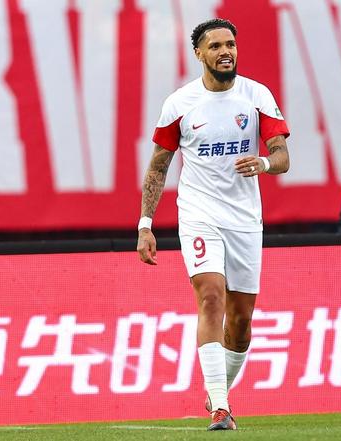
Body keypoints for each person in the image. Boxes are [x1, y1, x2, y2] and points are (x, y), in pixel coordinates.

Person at [136, 18, 290, 431]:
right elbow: (158, 167)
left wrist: (263, 163)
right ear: (199, 54)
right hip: (199, 213)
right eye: (216, 46)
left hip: (245, 219)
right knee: (210, 297)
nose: (226, 52)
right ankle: (220, 407)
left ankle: (217, 389)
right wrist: (146, 224)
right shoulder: (180, 104)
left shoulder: (257, 95)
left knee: (240, 322)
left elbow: (282, 156)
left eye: (231, 45)